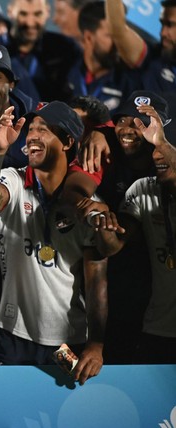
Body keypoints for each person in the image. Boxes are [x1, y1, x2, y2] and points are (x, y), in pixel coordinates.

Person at [0, 101, 107, 384]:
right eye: (31, 129)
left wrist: (96, 344)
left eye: (43, 130)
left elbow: (97, 282)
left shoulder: (89, 206)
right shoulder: (14, 180)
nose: (32, 135)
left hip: (68, 339)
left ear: (68, 142)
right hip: (12, 334)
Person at [94, 104, 176, 364]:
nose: (157, 156)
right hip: (158, 329)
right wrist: (103, 227)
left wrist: (161, 142)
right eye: (155, 149)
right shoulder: (142, 189)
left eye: (165, 148)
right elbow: (114, 246)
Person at [0, 0, 81, 102]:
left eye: (37, 14)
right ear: (10, 12)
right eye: (23, 14)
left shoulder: (66, 48)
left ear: (47, 12)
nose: (30, 23)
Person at [66, 1, 142, 111]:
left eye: (120, 35)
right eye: (111, 36)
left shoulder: (130, 81)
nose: (119, 42)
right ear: (88, 38)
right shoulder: (65, 72)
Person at [105, 0, 176, 94]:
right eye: (162, 24)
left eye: (170, 25)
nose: (163, 33)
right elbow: (118, 30)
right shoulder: (152, 57)